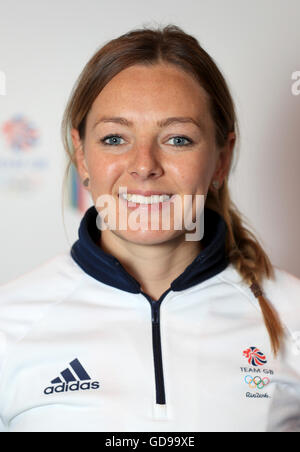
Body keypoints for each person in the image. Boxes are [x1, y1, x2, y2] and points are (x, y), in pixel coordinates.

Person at [0, 24, 299, 433]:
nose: (144, 165)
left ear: (221, 159)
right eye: (114, 138)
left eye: (177, 139)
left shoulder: (293, 313)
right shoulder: (9, 321)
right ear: (82, 158)